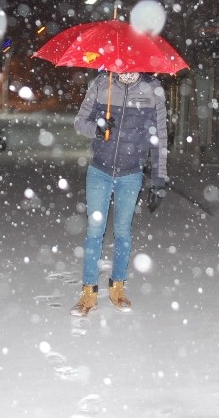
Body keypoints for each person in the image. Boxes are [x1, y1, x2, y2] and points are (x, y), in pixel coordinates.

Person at [71, 70, 168, 316]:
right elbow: (80, 123)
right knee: (95, 231)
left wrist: (158, 178)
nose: (126, 68)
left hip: (131, 173)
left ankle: (117, 287)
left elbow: (160, 137)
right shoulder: (103, 84)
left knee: (123, 232)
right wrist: (98, 126)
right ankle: (89, 293)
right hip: (99, 171)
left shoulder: (153, 89)